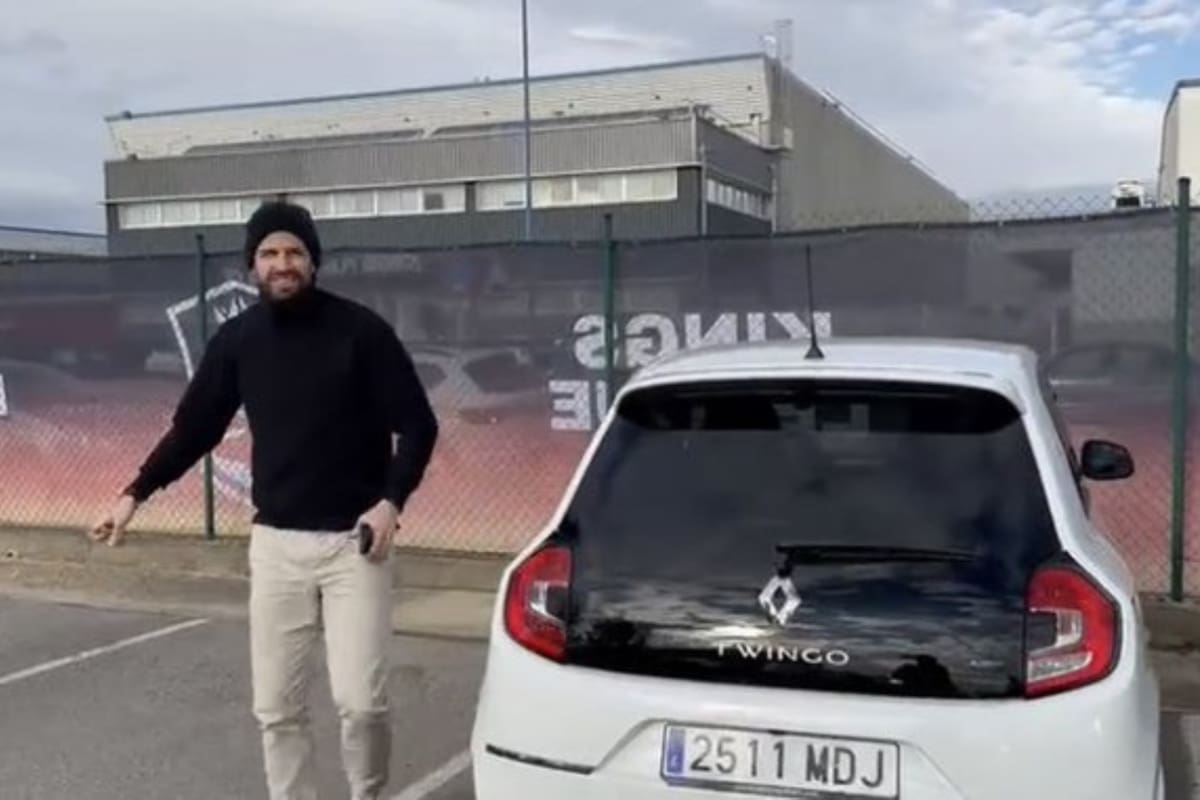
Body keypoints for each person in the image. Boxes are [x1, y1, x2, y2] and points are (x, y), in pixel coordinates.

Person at [90, 200, 439, 800]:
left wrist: (390, 502)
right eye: (270, 253)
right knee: (276, 709)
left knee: (361, 704)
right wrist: (134, 494)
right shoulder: (238, 341)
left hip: (355, 546)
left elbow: (419, 424)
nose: (283, 263)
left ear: (313, 261)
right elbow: (193, 430)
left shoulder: (361, 332)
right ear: (252, 265)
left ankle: (368, 791)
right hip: (275, 546)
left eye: (294, 252)